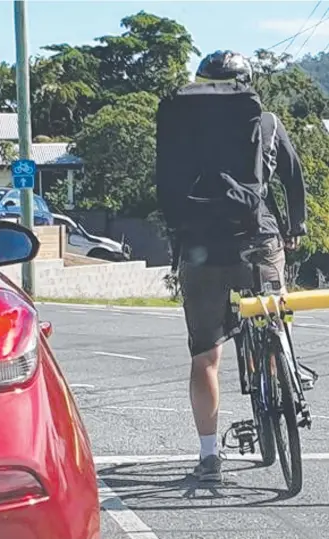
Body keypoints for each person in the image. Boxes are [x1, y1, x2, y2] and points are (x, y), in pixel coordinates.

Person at [156, 50, 312, 483]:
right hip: (257, 239)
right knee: (275, 318)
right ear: (247, 81)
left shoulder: (182, 125)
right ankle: (282, 362)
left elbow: (166, 182)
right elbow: (293, 176)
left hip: (201, 246)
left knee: (206, 356)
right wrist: (294, 226)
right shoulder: (266, 121)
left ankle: (209, 457)